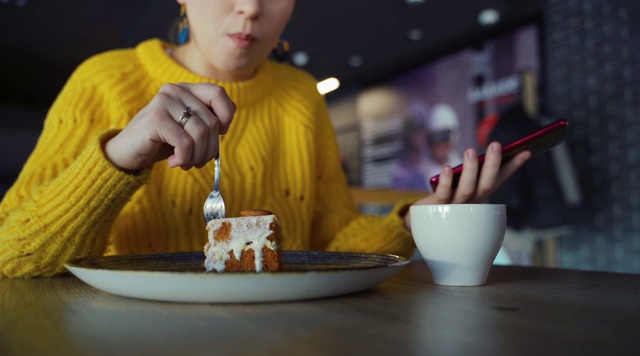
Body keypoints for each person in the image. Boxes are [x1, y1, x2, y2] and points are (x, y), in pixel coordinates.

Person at [0, 0, 530, 278]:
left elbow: (327, 248)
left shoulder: (301, 96)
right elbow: (15, 259)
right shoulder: (104, 80)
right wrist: (115, 161)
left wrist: (416, 221)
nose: (251, 7)